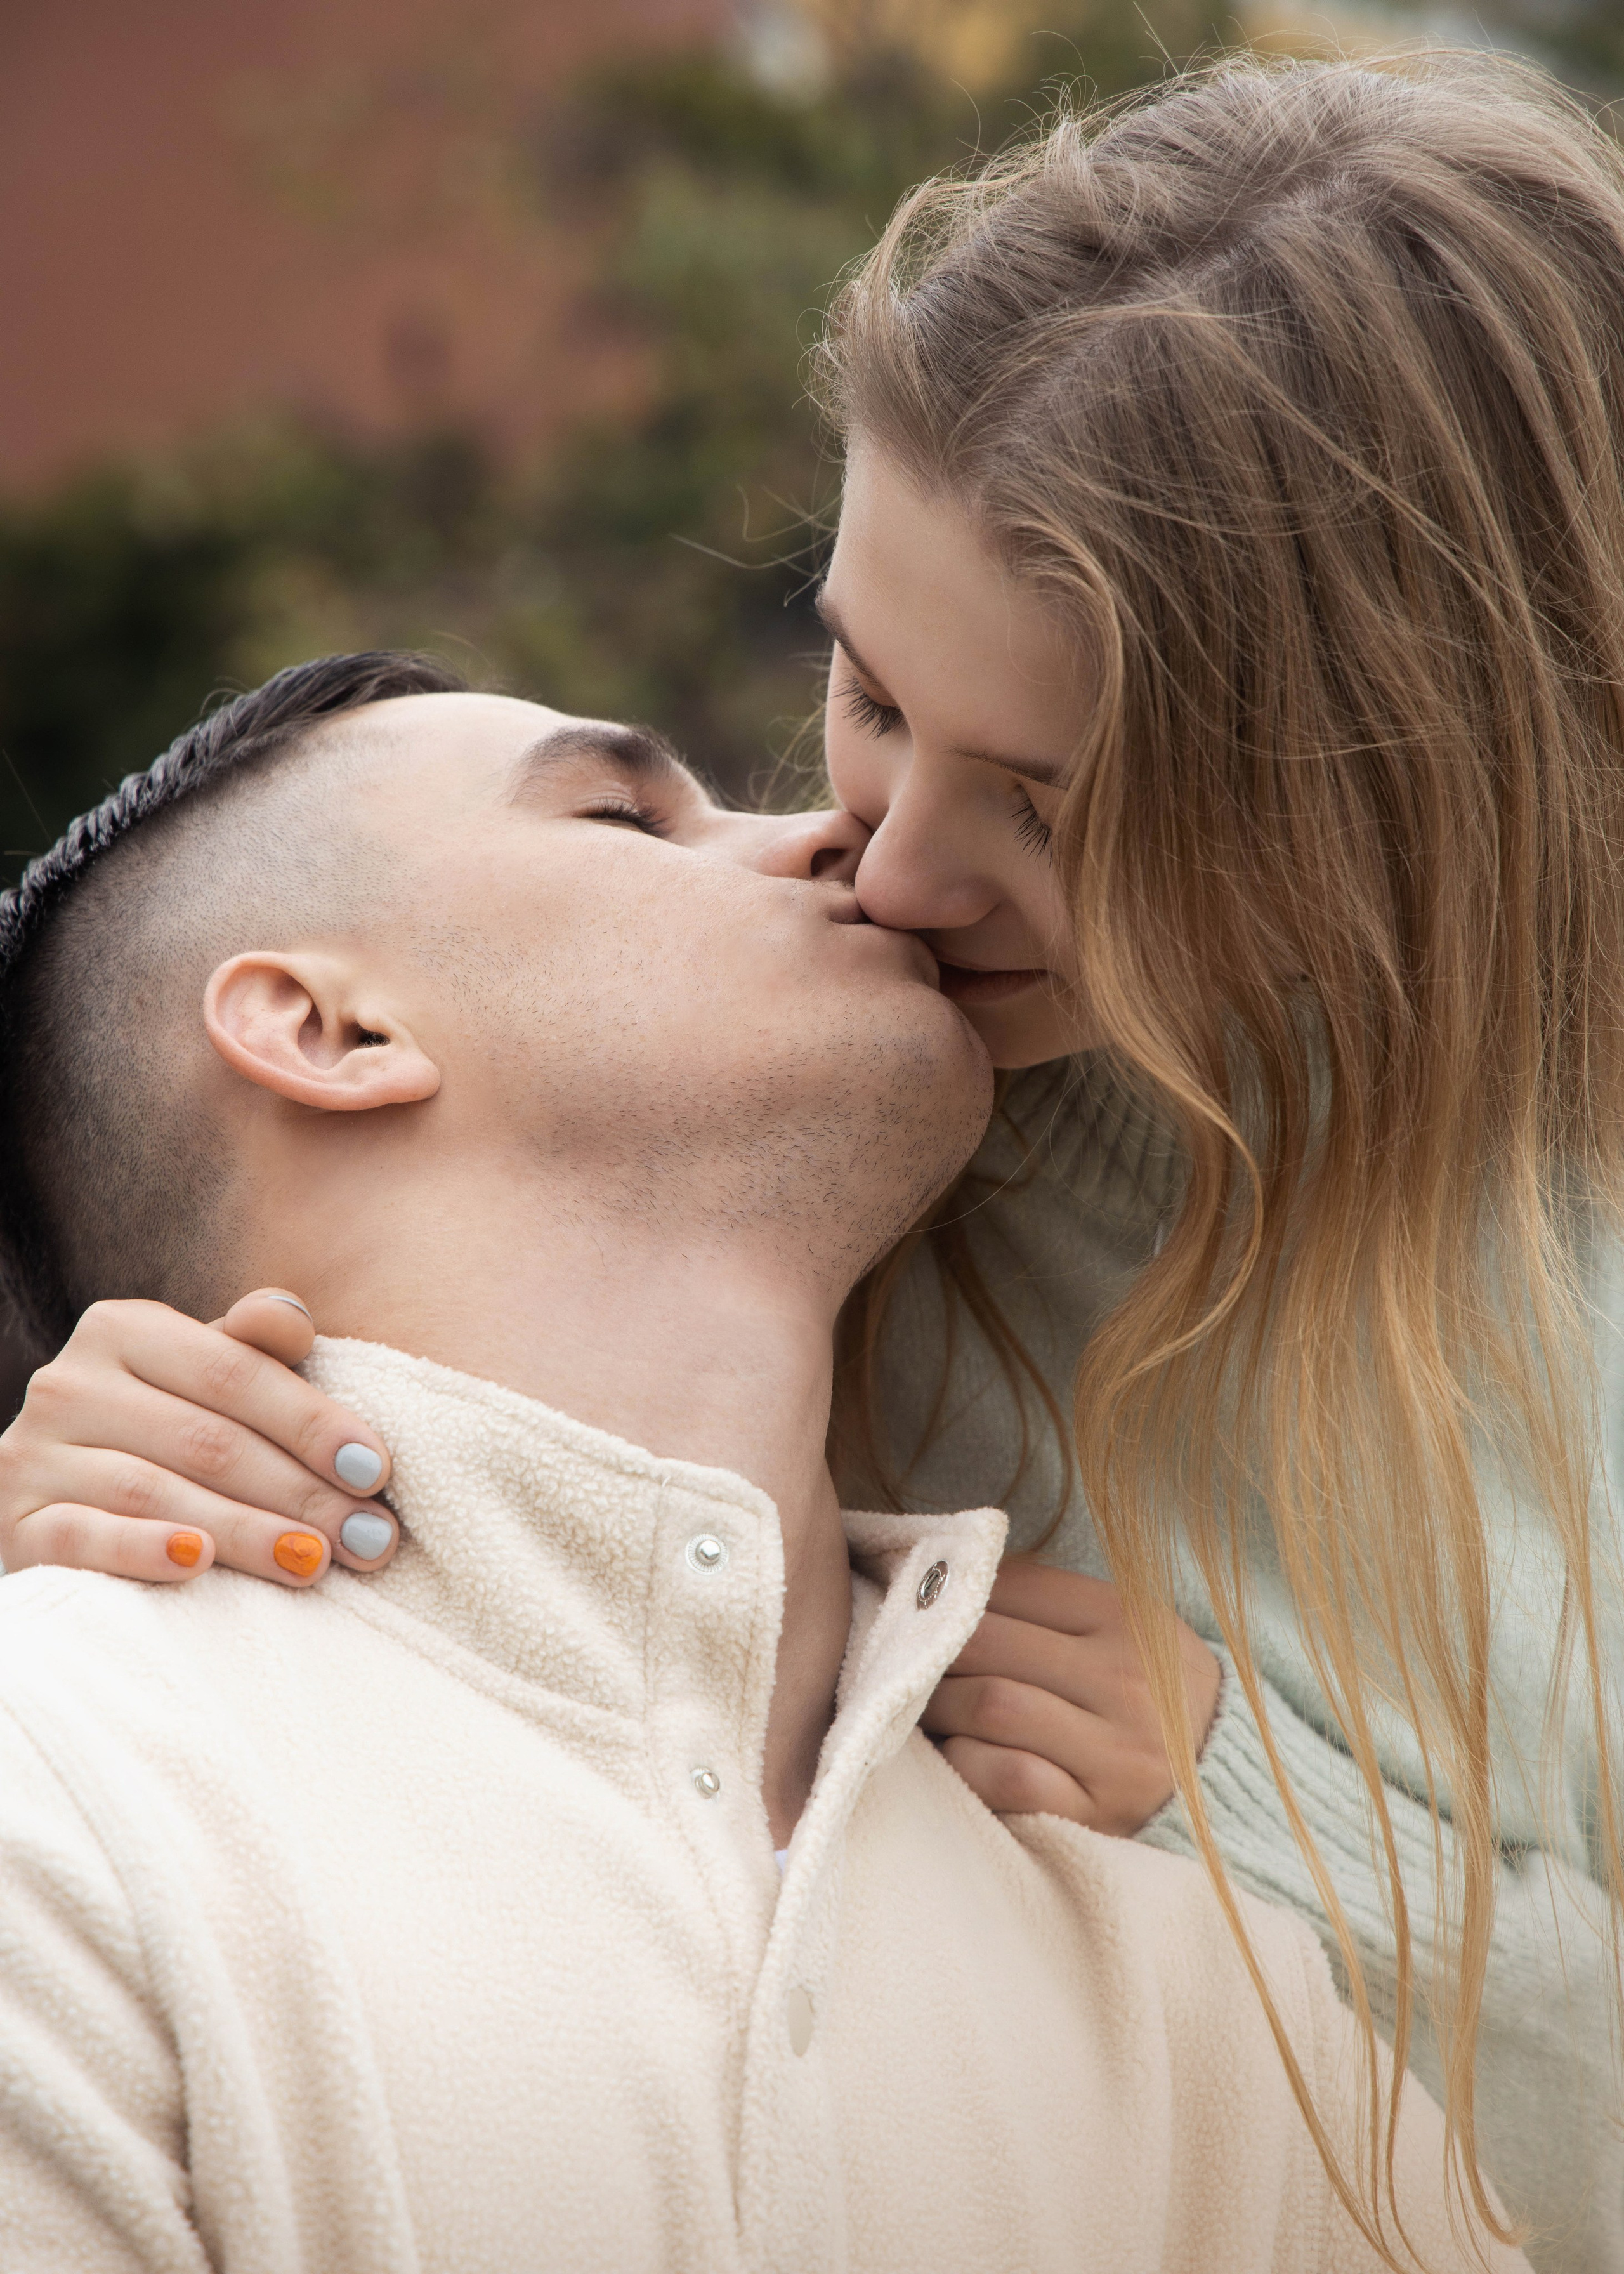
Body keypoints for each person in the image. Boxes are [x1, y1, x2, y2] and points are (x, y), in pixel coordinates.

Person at [2, 46, 1621, 2270]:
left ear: (1409, 804)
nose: (887, 862)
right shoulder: (837, 1123)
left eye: (1055, 806)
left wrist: (1255, 1801)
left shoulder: (1551, 1286)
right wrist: (81, 1439)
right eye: (865, 690)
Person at [0, 652, 1519, 2273]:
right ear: (329, 1025)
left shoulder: (1222, 2007)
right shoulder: (62, 1811)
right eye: (624, 816)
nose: (841, 845)